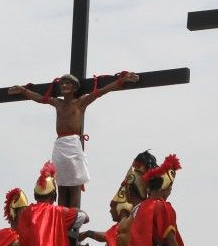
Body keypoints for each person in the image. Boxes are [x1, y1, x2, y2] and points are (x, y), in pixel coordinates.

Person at [8, 71, 140, 208]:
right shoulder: (57, 102)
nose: (64, 85)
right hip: (59, 146)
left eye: (67, 83)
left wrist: (121, 81)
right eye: (62, 83)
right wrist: (23, 90)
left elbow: (102, 91)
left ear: (75, 87)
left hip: (73, 146)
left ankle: (74, 217)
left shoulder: (81, 102)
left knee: (75, 183)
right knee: (61, 184)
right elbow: (40, 98)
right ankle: (62, 219)